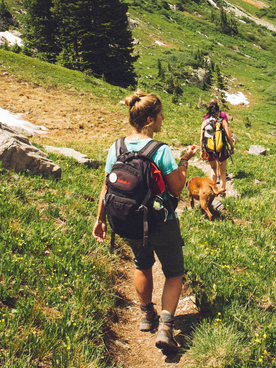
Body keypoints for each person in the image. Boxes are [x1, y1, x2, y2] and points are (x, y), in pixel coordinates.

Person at [93, 90, 197, 353]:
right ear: (150, 119)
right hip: (161, 222)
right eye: (161, 114)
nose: (163, 118)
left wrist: (100, 219)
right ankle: (165, 326)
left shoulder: (116, 147)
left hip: (128, 221)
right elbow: (176, 189)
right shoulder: (160, 150)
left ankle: (145, 315)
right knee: (174, 272)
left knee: (142, 264)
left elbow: (107, 186)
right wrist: (184, 160)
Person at [200, 99, 235, 192]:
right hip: (221, 149)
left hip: (209, 149)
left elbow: (201, 138)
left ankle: (212, 190)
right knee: (223, 172)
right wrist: (231, 147)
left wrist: (201, 151)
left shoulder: (205, 122)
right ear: (218, 110)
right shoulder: (222, 121)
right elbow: (227, 136)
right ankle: (222, 190)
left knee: (213, 168)